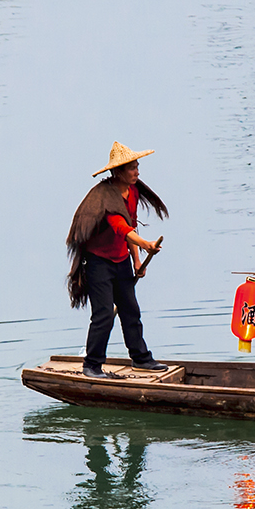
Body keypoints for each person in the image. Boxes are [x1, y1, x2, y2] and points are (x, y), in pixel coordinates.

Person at [67, 141, 169, 379]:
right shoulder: (105, 196)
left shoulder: (132, 191)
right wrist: (147, 245)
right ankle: (91, 365)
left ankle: (141, 359)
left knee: (130, 309)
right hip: (98, 263)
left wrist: (136, 259)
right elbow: (120, 227)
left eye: (137, 166)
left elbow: (131, 224)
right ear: (117, 172)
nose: (137, 171)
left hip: (121, 259)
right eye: (132, 168)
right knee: (103, 315)